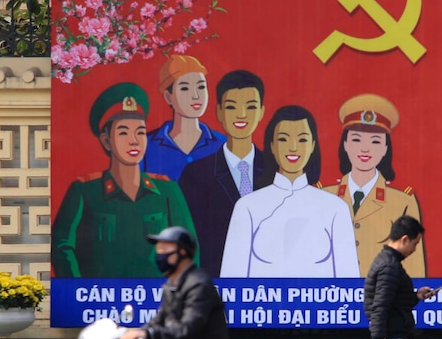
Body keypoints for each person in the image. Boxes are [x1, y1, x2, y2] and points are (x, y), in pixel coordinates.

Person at [51, 82, 197, 278]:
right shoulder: (85, 191)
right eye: (123, 132)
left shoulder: (168, 191)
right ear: (106, 140)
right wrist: (80, 290)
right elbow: (61, 246)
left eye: (140, 132)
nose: (134, 140)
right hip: (99, 303)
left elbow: (188, 249)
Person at [221, 105, 359, 277]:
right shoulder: (247, 207)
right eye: (283, 139)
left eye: (302, 140)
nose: (293, 148)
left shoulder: (335, 208)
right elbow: (231, 283)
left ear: (312, 145)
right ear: (271, 145)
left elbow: (348, 285)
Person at [323, 94, 426, 277]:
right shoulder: (324, 196)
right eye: (356, 139)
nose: (365, 149)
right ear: (345, 144)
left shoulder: (402, 201)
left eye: (375, 141)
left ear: (386, 148)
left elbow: (414, 272)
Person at [178, 69, 268, 276]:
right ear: (218, 111)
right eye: (231, 107)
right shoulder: (196, 174)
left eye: (251, 106)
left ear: (262, 111)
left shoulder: (276, 171)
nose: (241, 115)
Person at [143, 54, 227, 180]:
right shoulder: (146, 146)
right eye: (185, 88)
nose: (195, 96)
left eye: (201, 87)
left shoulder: (223, 145)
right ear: (168, 97)